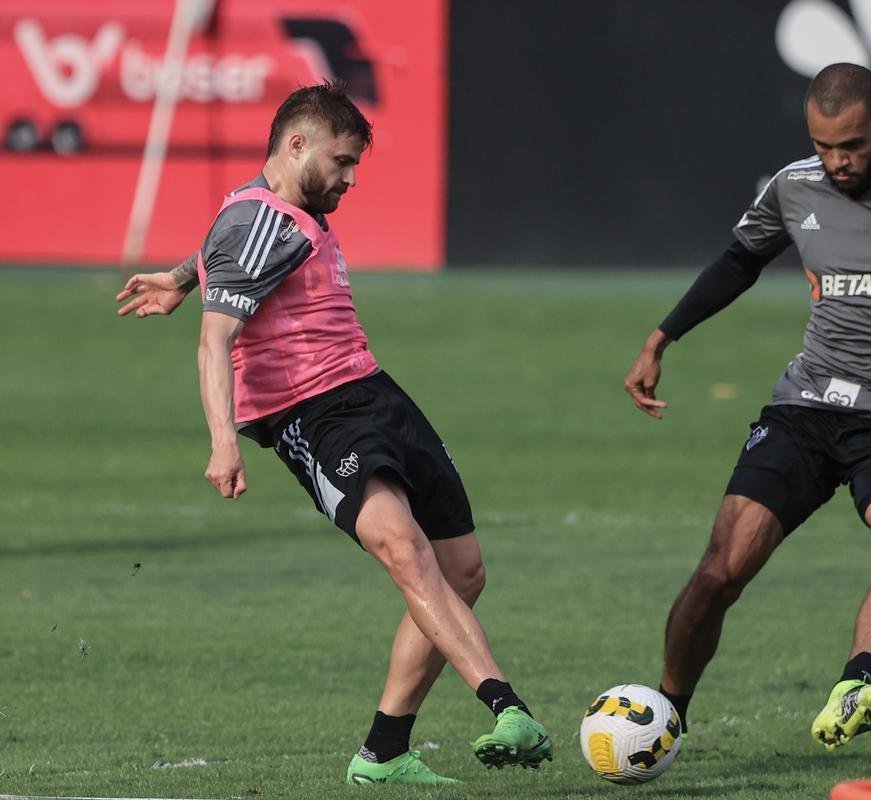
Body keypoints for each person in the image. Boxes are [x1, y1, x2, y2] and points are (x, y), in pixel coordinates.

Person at [115, 82, 552, 785]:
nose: (350, 179)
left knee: (463, 572)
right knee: (406, 551)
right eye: (342, 162)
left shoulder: (279, 212)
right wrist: (224, 441)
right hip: (313, 418)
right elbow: (214, 341)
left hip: (373, 392)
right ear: (296, 145)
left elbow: (235, 248)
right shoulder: (258, 220)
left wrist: (177, 276)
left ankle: (383, 754)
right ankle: (505, 705)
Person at [622, 63, 871, 751]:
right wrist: (661, 337)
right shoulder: (794, 187)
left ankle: (855, 686)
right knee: (718, 571)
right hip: (807, 409)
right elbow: (740, 261)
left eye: (851, 144)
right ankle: (667, 714)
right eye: (824, 146)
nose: (838, 161)